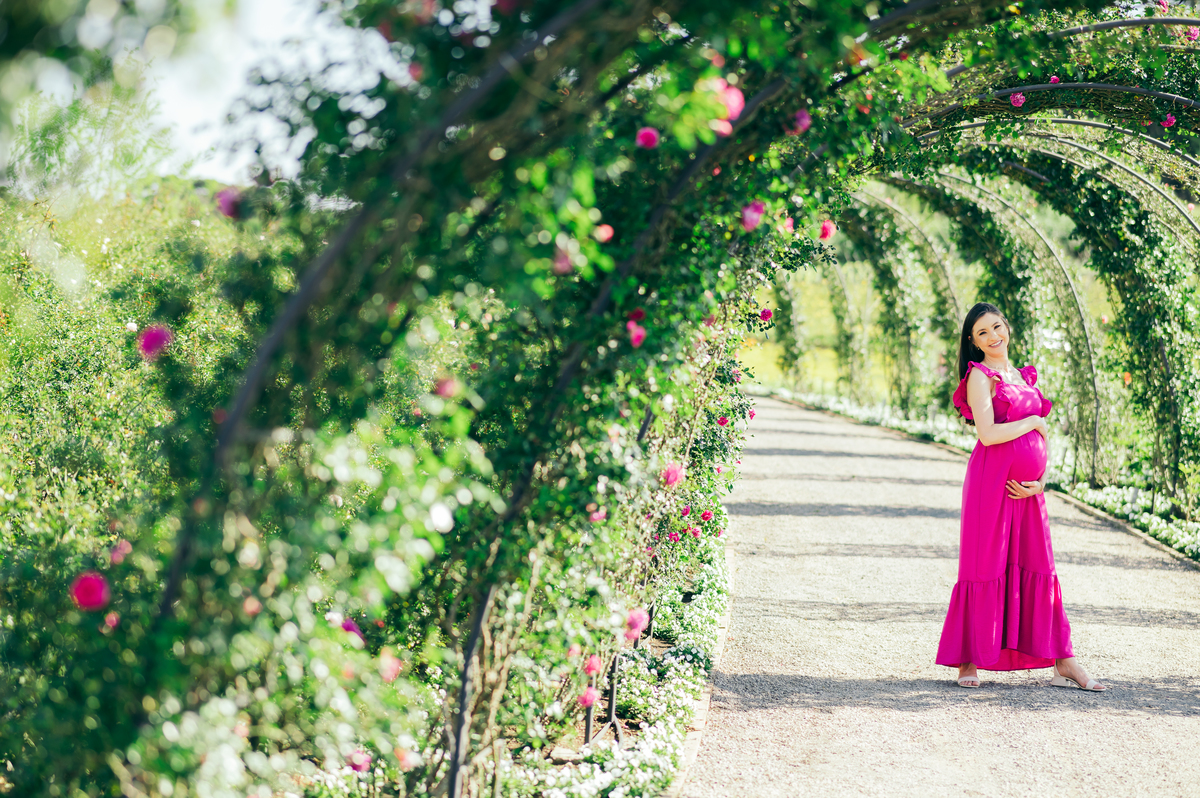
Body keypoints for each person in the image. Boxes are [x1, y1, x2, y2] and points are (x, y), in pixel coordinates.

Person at [936, 302, 1105, 691]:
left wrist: (1042, 479)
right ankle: (968, 660)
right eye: (983, 332)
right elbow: (988, 434)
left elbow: (1042, 437)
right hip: (991, 485)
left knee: (1038, 564)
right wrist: (1031, 421)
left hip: (1028, 492)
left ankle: (1064, 661)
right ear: (973, 341)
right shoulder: (980, 377)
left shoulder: (1022, 376)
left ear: (1007, 327)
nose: (993, 336)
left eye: (997, 327)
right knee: (984, 565)